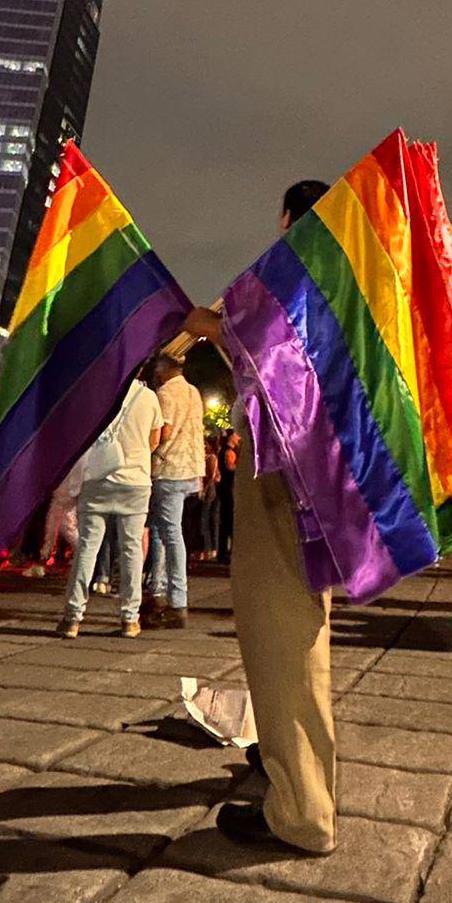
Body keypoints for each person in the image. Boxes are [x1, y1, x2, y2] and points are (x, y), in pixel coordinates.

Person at [184, 177, 338, 854]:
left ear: (288, 220)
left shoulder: (297, 268)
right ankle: (283, 757)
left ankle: (301, 810)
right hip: (320, 468)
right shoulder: (350, 276)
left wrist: (202, 324)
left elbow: (264, 353)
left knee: (280, 627)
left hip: (282, 464)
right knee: (299, 623)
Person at [59, 371, 164, 639]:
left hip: (98, 479)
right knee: (131, 551)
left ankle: (73, 617)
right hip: (136, 482)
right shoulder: (149, 397)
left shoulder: (98, 396)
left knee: (87, 548)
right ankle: (130, 619)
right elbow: (154, 440)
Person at [141, 354, 205, 630]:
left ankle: (175, 599)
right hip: (191, 468)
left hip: (170, 469)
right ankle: (158, 588)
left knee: (169, 531)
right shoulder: (193, 391)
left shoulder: (165, 393)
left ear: (164, 370)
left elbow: (163, 432)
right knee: (161, 530)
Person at [216, 429, 240, 564]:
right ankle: (225, 552)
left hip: (225, 490)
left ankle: (223, 551)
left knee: (225, 522)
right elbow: (231, 469)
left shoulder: (225, 451)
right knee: (228, 521)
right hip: (228, 490)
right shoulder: (228, 452)